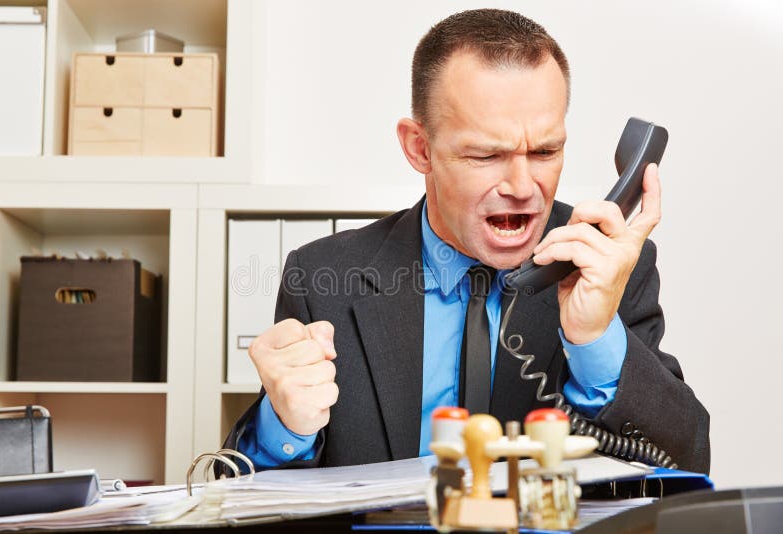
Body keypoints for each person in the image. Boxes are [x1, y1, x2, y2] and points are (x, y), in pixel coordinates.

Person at [222, 9, 710, 474]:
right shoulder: (321, 277)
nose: (522, 187)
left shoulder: (614, 266)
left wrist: (596, 338)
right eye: (485, 154)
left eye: (544, 151)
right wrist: (284, 426)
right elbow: (249, 496)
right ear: (420, 148)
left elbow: (688, 461)